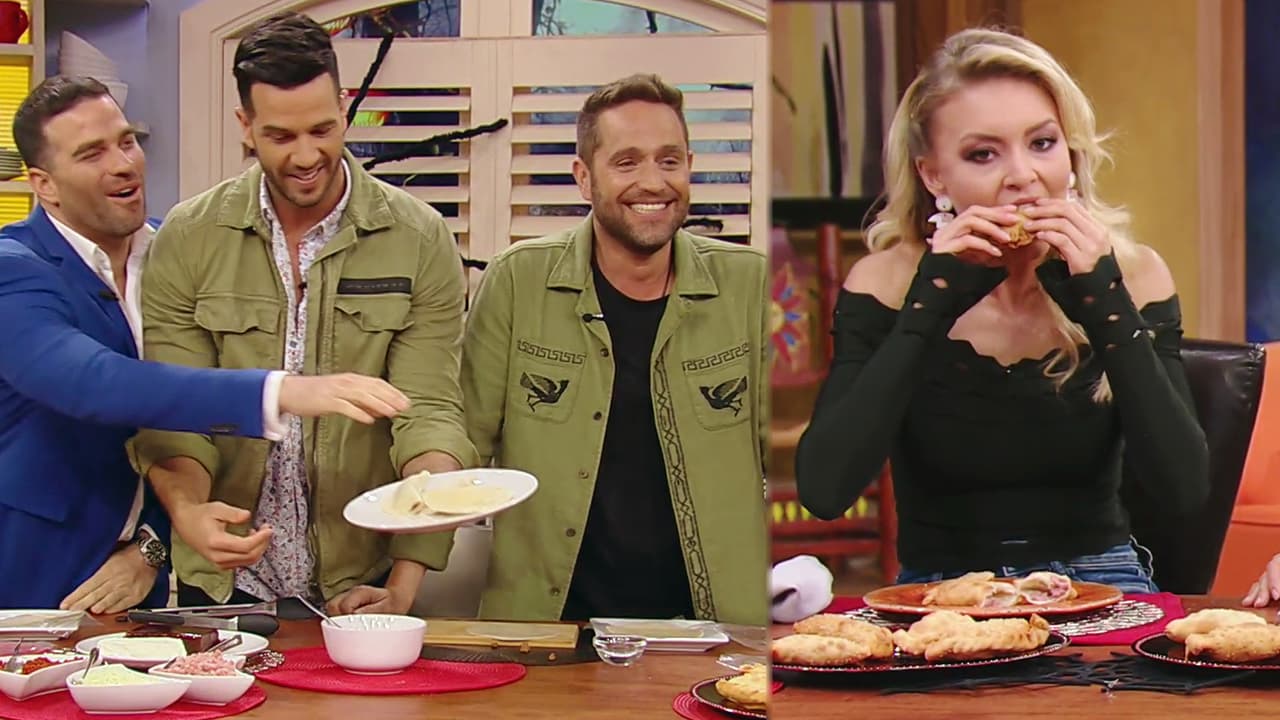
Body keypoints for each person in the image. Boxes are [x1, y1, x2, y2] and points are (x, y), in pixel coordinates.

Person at [794, 28, 1209, 593]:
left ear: (1071, 153)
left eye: (1042, 143)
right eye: (983, 154)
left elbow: (1184, 490)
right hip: (944, 591)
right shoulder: (886, 282)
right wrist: (932, 303)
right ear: (933, 175)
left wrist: (1104, 300)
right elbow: (824, 492)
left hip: (1102, 580)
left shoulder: (1135, 275)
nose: (1023, 176)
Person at [0, 75, 410, 612]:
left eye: (126, 141)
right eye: (92, 153)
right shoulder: (14, 270)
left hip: (149, 587)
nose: (123, 164)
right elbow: (91, 381)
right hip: (35, 578)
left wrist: (150, 549)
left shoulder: (181, 248)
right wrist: (281, 392)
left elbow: (166, 434)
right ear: (44, 184)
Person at [129, 11, 477, 616]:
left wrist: (403, 584)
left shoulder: (419, 237)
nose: (307, 155)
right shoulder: (188, 238)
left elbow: (428, 411)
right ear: (245, 125)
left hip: (362, 578)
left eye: (322, 129)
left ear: (343, 107)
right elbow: (174, 408)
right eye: (281, 136)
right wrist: (188, 511)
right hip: (226, 584)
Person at [456, 73, 768, 625]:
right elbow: (462, 446)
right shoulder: (519, 280)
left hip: (713, 634)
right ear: (584, 176)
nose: (653, 182)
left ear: (690, 166)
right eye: (627, 162)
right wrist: (402, 584)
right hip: (548, 629)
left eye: (669, 161)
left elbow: (794, 458)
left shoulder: (749, 285)